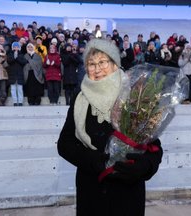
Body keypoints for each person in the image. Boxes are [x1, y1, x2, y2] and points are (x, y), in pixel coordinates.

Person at [57, 39, 162, 216]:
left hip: (127, 193)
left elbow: (154, 147)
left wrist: (142, 167)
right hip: (92, 191)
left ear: (115, 65)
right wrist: (93, 161)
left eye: (103, 62)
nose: (97, 69)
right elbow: (65, 143)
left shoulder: (135, 96)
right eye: (91, 64)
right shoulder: (80, 99)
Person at [7, 41, 27, 106]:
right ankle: (15, 101)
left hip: (19, 74)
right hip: (12, 74)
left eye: (17, 47)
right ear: (12, 47)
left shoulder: (21, 54)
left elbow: (23, 62)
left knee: (19, 88)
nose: (16, 48)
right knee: (13, 89)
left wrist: (17, 57)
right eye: (14, 47)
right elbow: (9, 61)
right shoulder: (10, 54)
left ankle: (20, 101)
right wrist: (14, 57)